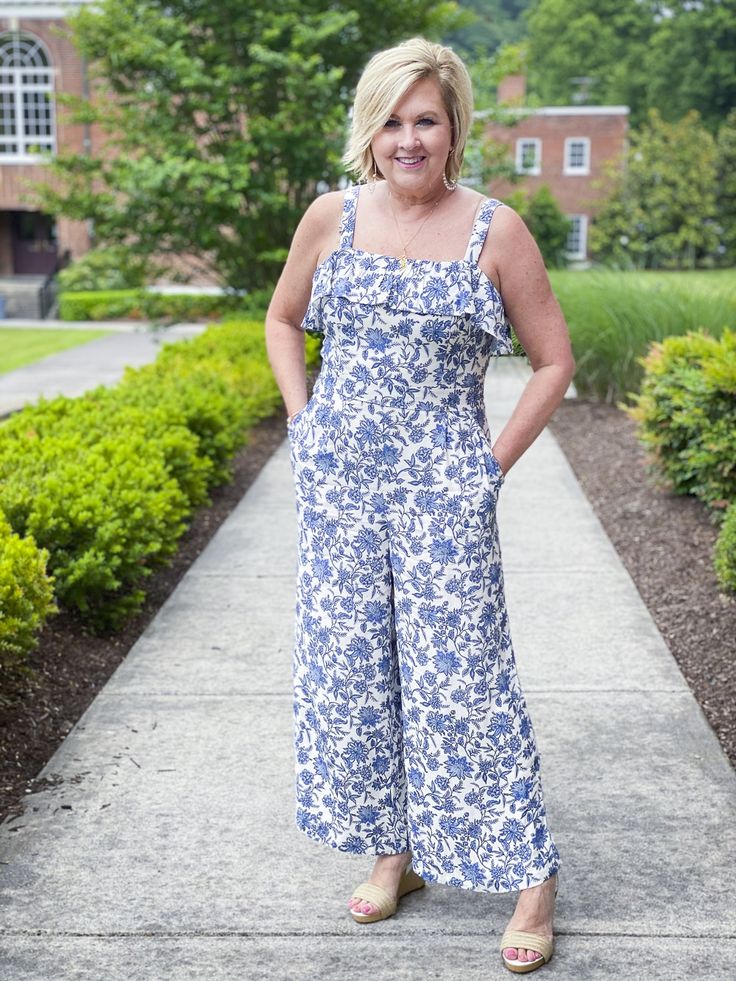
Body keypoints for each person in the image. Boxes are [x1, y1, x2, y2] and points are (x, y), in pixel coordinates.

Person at [265, 36, 575, 975]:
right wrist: (304, 425)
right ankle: (394, 855)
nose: (409, 139)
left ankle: (533, 879)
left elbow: (554, 361)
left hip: (444, 491)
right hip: (342, 489)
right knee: (362, 678)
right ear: (372, 127)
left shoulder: (496, 230)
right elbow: (283, 321)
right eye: (393, 120)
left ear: (453, 130)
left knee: (466, 682)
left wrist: (489, 465)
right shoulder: (330, 216)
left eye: (426, 120)